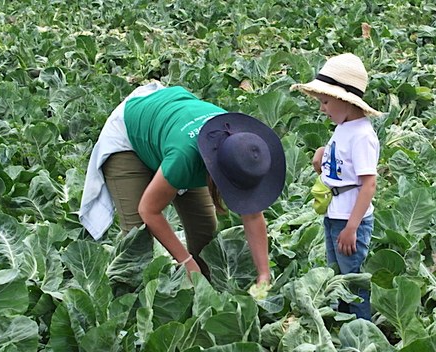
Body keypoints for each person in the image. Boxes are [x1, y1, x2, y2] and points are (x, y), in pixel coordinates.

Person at [79, 81, 286, 284]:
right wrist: (186, 261)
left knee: (205, 233)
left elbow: (252, 214)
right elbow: (149, 210)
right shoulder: (185, 158)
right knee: (137, 239)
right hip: (130, 133)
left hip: (171, 125)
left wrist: (264, 274)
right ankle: (133, 303)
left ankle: (203, 294)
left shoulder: (242, 146)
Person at [290, 53, 381, 320]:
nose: (322, 108)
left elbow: (369, 184)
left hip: (350, 221)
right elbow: (338, 172)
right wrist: (319, 160)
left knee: (353, 280)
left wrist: (352, 227)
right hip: (334, 214)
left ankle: (363, 328)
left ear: (345, 100)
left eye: (325, 102)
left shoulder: (362, 135)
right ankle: (342, 321)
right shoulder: (343, 127)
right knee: (337, 275)